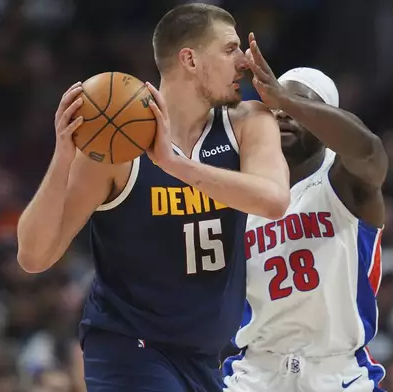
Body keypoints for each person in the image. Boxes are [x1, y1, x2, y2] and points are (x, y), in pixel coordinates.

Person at [16, 4, 290, 392]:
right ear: (190, 59)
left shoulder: (249, 122)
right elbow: (34, 256)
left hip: (210, 355)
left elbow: (274, 200)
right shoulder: (115, 145)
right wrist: (64, 157)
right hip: (128, 346)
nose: (244, 60)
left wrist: (175, 165)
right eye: (230, 49)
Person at [222, 33, 389, 392]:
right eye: (276, 107)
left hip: (336, 372)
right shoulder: (242, 188)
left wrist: (284, 97)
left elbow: (370, 150)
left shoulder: (345, 183)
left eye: (299, 105)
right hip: (255, 371)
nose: (282, 112)